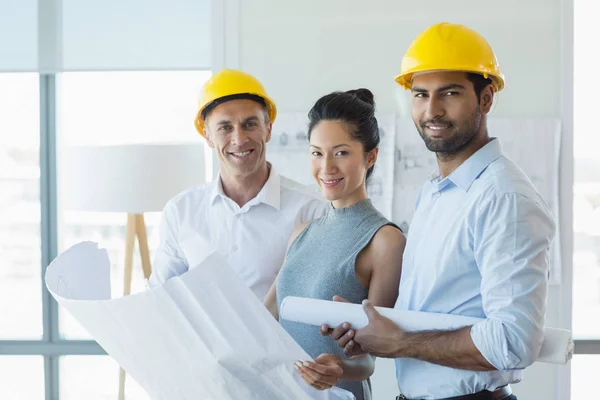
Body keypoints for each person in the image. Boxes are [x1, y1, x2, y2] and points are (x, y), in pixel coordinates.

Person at [324, 23, 556, 400]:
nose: (432, 110)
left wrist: (399, 342)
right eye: (420, 95)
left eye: (449, 93)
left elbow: (514, 342)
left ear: (486, 98)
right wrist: (366, 328)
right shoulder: (436, 192)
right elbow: (433, 308)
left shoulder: (503, 198)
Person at [263, 88, 406, 400]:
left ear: (370, 156)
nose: (326, 167)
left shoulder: (385, 240)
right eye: (317, 153)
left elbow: (370, 357)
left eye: (340, 152)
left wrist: (338, 367)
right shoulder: (300, 232)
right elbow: (265, 317)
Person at [148, 69, 327, 300]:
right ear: (208, 136)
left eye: (250, 124)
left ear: (268, 129)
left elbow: (320, 299)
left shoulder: (311, 210)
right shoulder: (181, 212)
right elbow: (162, 298)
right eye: (225, 127)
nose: (239, 139)